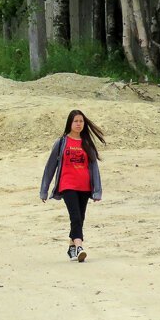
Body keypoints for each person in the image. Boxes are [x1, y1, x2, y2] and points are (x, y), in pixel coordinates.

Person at [40, 110, 105, 262]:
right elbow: (50, 167)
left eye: (81, 121)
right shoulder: (61, 142)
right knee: (75, 216)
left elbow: (94, 168)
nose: (78, 124)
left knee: (80, 218)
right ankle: (80, 246)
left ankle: (71, 248)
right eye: (75, 121)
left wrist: (97, 191)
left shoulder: (87, 143)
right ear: (70, 123)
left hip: (84, 186)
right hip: (67, 184)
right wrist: (44, 190)